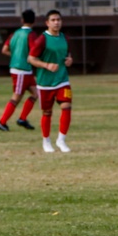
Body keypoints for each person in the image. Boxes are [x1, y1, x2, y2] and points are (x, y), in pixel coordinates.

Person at [28, 9, 74, 153]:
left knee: (66, 107)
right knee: (47, 113)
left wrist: (69, 60)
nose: (56, 22)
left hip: (62, 80)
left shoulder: (65, 38)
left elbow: (67, 54)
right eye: (53, 20)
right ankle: (46, 141)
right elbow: (31, 59)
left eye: (58, 20)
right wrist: (46, 65)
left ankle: (61, 140)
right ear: (47, 23)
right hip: (45, 83)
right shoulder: (42, 39)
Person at [0, 9, 39, 132]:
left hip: (24, 70)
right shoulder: (31, 34)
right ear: (34, 21)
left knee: (36, 94)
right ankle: (2, 122)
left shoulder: (14, 34)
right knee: (16, 97)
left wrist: (15, 55)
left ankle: (22, 119)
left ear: (22, 20)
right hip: (21, 70)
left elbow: (4, 50)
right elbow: (34, 51)